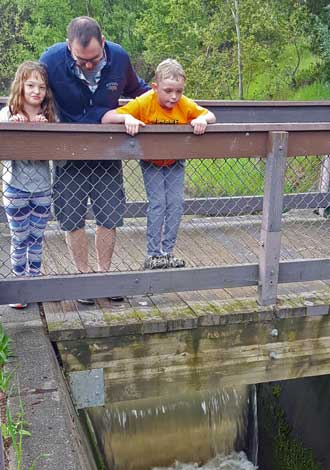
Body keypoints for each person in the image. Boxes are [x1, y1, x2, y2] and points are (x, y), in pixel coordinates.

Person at [40, 16, 149, 304]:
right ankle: (82, 279)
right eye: (80, 59)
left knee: (109, 216)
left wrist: (176, 108)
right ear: (68, 46)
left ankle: (103, 277)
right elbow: (30, 92)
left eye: (93, 58)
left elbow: (140, 92)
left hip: (107, 153)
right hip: (68, 155)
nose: (88, 65)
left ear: (103, 42)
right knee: (72, 218)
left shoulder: (120, 57)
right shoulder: (50, 61)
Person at [107, 58, 216, 270]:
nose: (174, 97)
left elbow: (209, 114)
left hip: (176, 161)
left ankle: (167, 253)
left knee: (175, 204)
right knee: (158, 204)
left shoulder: (183, 104)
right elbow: (109, 117)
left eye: (179, 91)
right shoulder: (145, 101)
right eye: (168, 91)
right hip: (152, 162)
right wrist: (126, 119)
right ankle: (153, 254)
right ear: (156, 87)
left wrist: (202, 120)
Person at [0, 61, 56, 309]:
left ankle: (34, 283)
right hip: (16, 188)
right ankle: (19, 285)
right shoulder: (6, 113)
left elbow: (58, 151)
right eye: (31, 85)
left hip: (43, 187)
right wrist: (14, 126)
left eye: (42, 87)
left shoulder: (50, 116)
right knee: (19, 236)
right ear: (20, 86)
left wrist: (45, 131)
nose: (36, 91)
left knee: (37, 237)